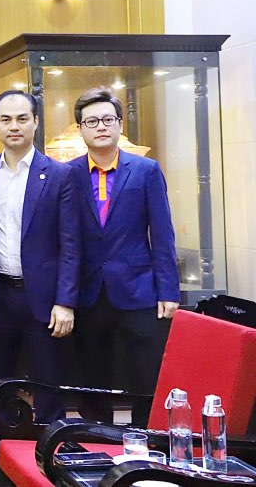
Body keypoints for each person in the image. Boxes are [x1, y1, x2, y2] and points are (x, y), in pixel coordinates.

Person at [0, 90, 79, 457]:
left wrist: (65, 302)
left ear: (35, 121)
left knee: (49, 384)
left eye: (22, 118)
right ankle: (3, 459)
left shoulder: (60, 175)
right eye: (6, 119)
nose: (14, 126)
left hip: (45, 299)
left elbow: (70, 244)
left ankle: (54, 459)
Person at [68, 87, 179, 426]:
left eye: (107, 119)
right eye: (91, 121)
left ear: (119, 124)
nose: (100, 126)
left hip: (139, 290)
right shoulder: (68, 174)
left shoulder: (145, 170)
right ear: (80, 129)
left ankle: (149, 441)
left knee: (146, 373)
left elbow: (162, 234)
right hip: (88, 292)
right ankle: (95, 438)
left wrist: (168, 290)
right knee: (91, 375)